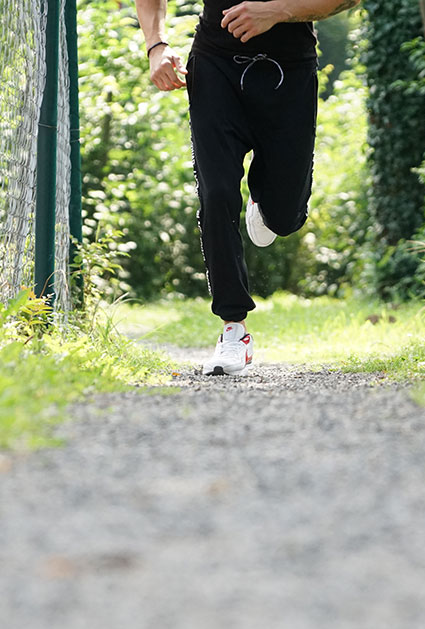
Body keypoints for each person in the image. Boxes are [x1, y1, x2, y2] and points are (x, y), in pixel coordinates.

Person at [134, 0, 360, 375]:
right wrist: (156, 45)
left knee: (285, 217)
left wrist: (279, 10)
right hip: (215, 65)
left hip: (290, 70)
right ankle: (233, 329)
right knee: (217, 192)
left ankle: (265, 198)